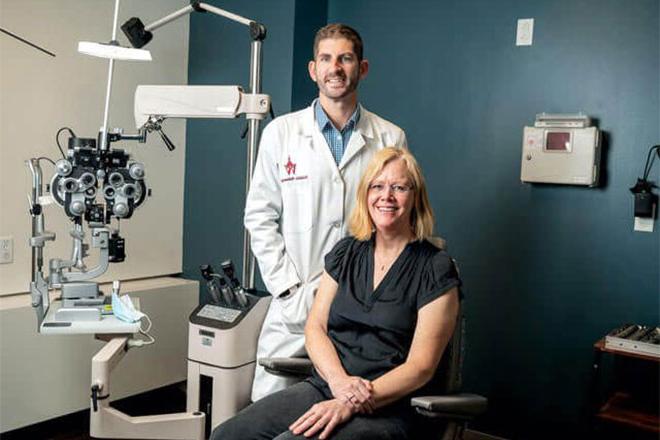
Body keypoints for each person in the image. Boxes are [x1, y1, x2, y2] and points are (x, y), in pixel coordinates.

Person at [214, 147, 461, 439]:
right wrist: (339, 382)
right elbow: (315, 327)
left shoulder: (435, 268)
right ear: (365, 194)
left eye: (399, 187)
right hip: (329, 386)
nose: (387, 196)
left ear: (415, 196)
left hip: (390, 406)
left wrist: (350, 401)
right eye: (377, 186)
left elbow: (420, 367)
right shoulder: (346, 253)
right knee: (227, 434)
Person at [244, 24, 408, 401]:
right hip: (295, 297)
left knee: (348, 403)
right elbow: (259, 215)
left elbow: (395, 222)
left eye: (345, 58)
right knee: (268, 408)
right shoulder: (281, 134)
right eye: (326, 58)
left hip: (359, 302)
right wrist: (286, 288)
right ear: (312, 69)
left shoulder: (390, 138)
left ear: (362, 68)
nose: (335, 67)